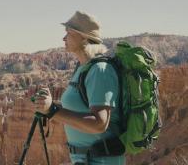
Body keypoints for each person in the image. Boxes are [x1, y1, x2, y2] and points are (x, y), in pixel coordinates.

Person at [33, 11, 124, 165]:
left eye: (68, 33)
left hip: (100, 161)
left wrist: (52, 111)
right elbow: (81, 108)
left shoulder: (100, 70)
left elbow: (99, 123)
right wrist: (50, 106)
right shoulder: (83, 68)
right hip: (84, 159)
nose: (63, 38)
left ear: (84, 37)